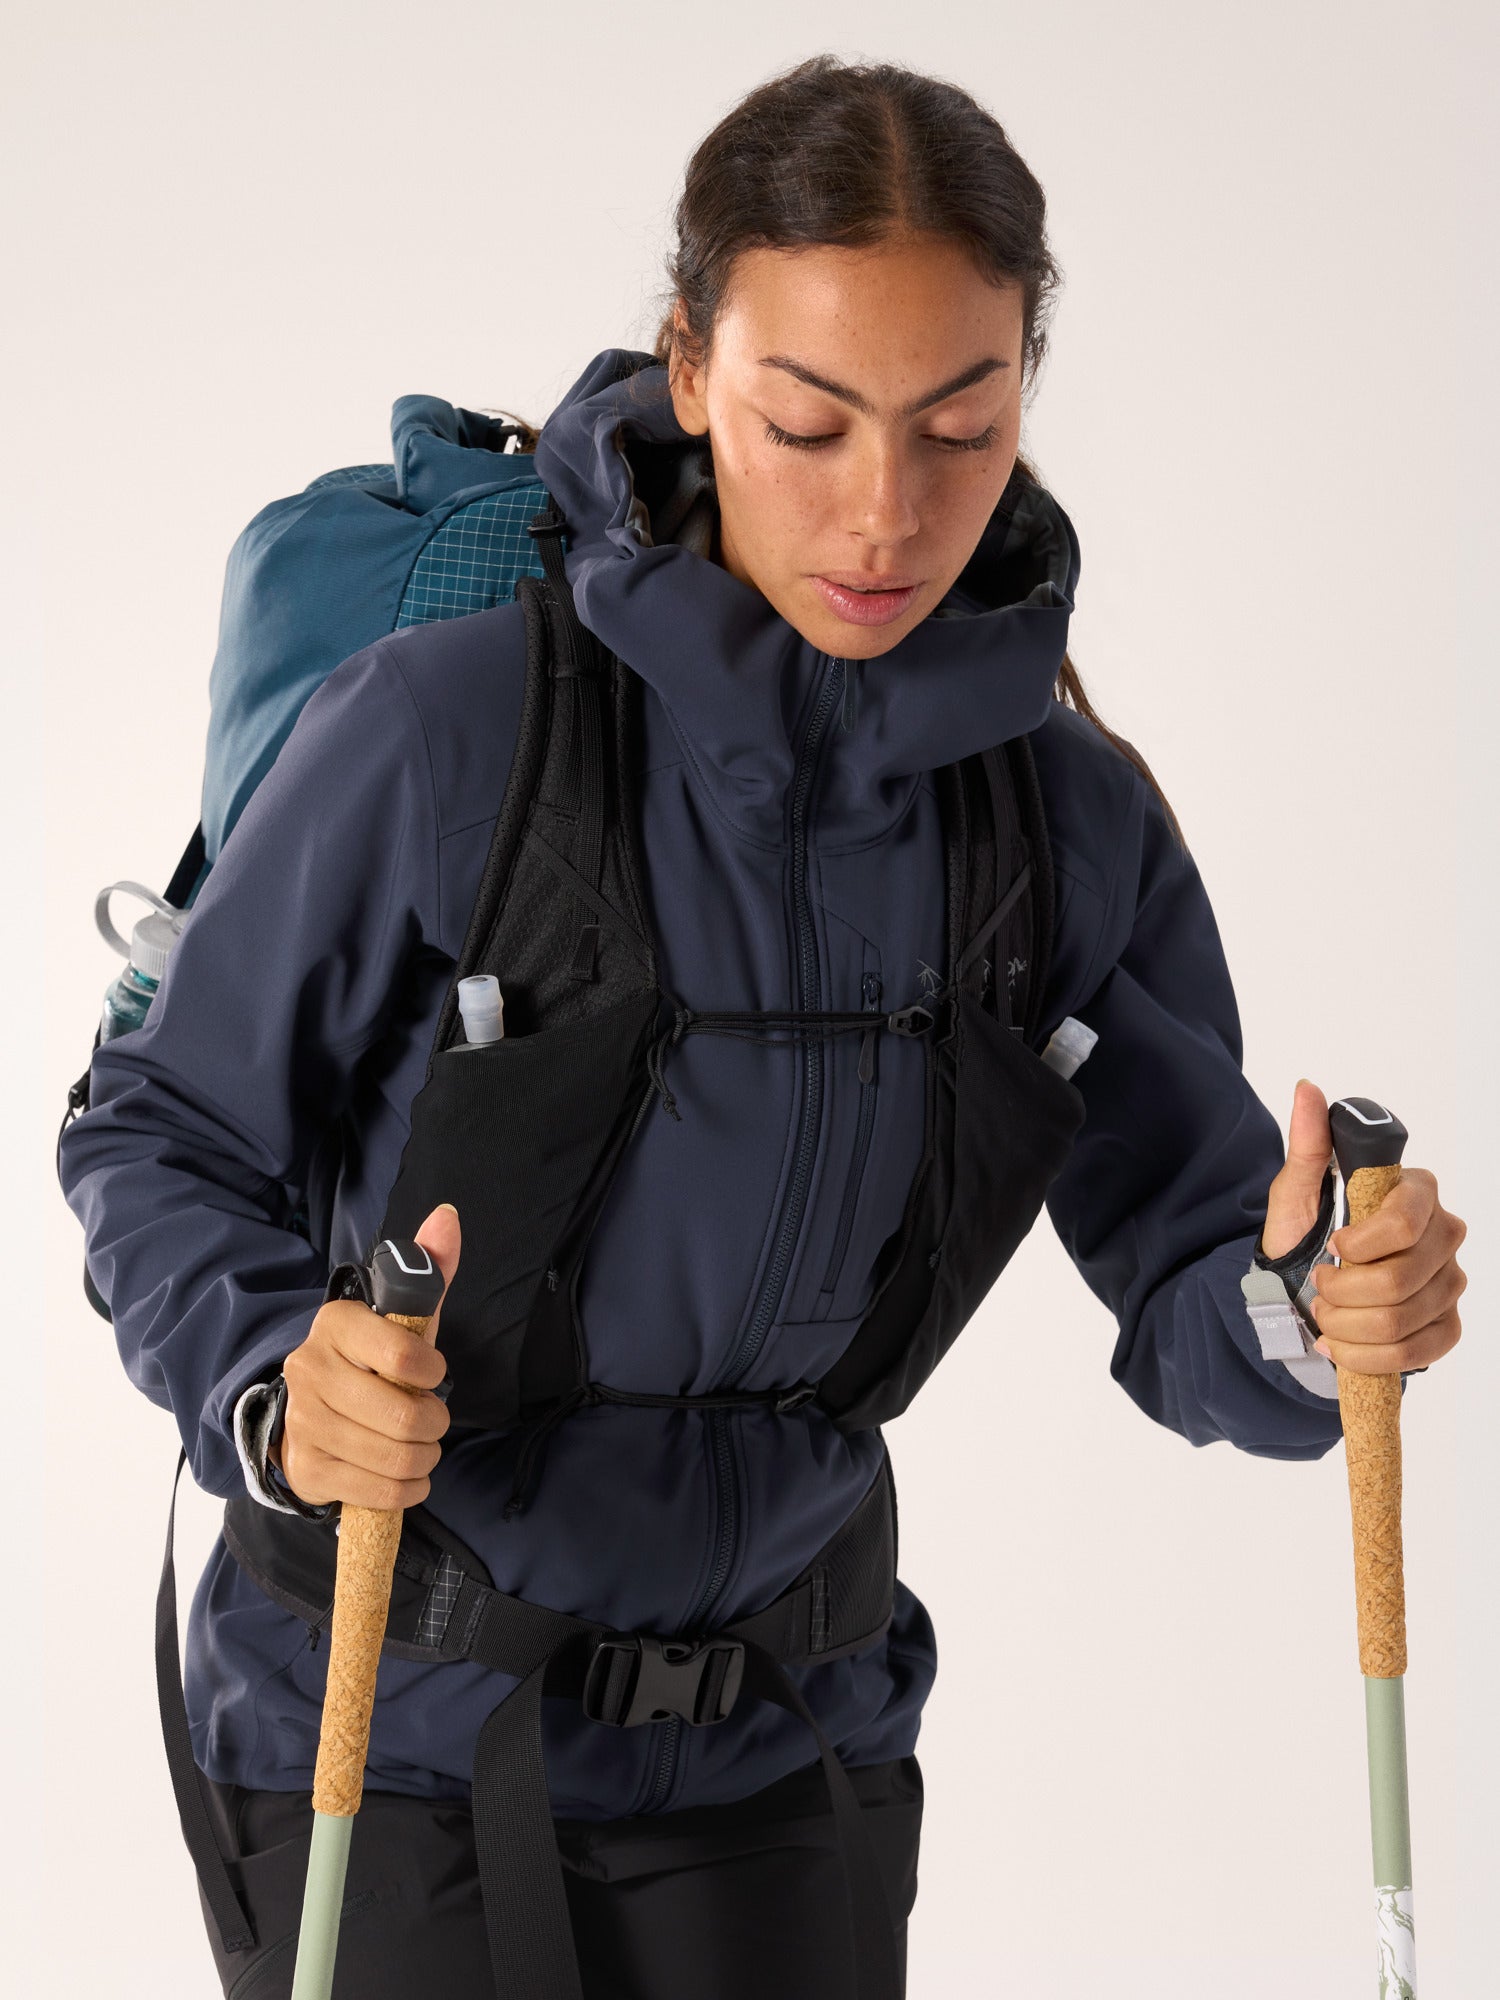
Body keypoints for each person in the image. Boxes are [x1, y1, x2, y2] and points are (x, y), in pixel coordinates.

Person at [58, 52, 1468, 2000]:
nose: (887, 512)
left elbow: (1200, 1264)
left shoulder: (1055, 820)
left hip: (789, 1752)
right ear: (692, 368)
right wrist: (275, 1384)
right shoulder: (451, 733)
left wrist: (1317, 1306)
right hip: (382, 1731)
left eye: (963, 428)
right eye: (809, 424)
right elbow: (157, 1130)